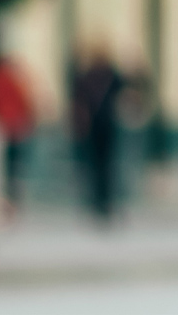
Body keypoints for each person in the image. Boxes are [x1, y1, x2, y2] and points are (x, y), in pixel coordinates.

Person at [69, 48, 129, 227]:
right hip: (96, 127)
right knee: (99, 166)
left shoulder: (108, 76)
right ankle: (99, 201)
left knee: (104, 166)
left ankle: (103, 201)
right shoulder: (88, 77)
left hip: (106, 127)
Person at [0, 50, 35, 220]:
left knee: (2, 169)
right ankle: (12, 202)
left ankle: (6, 203)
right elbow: (25, 102)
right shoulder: (15, 79)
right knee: (13, 169)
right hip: (14, 129)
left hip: (0, 130)